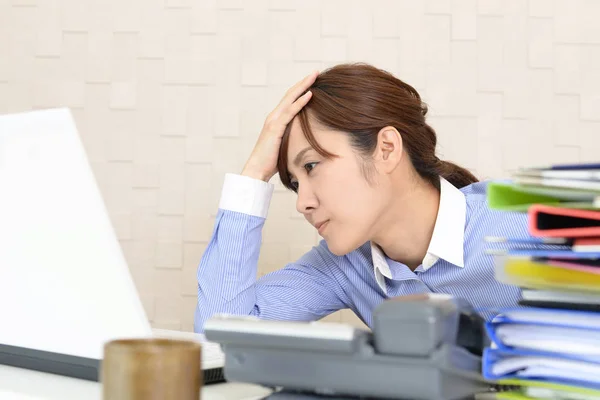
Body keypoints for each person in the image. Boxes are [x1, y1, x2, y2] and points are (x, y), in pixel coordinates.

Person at [193, 63, 529, 333]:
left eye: (311, 165)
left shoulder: (526, 222)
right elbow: (220, 335)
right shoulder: (344, 266)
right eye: (295, 183)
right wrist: (254, 174)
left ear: (386, 149)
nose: (302, 203)